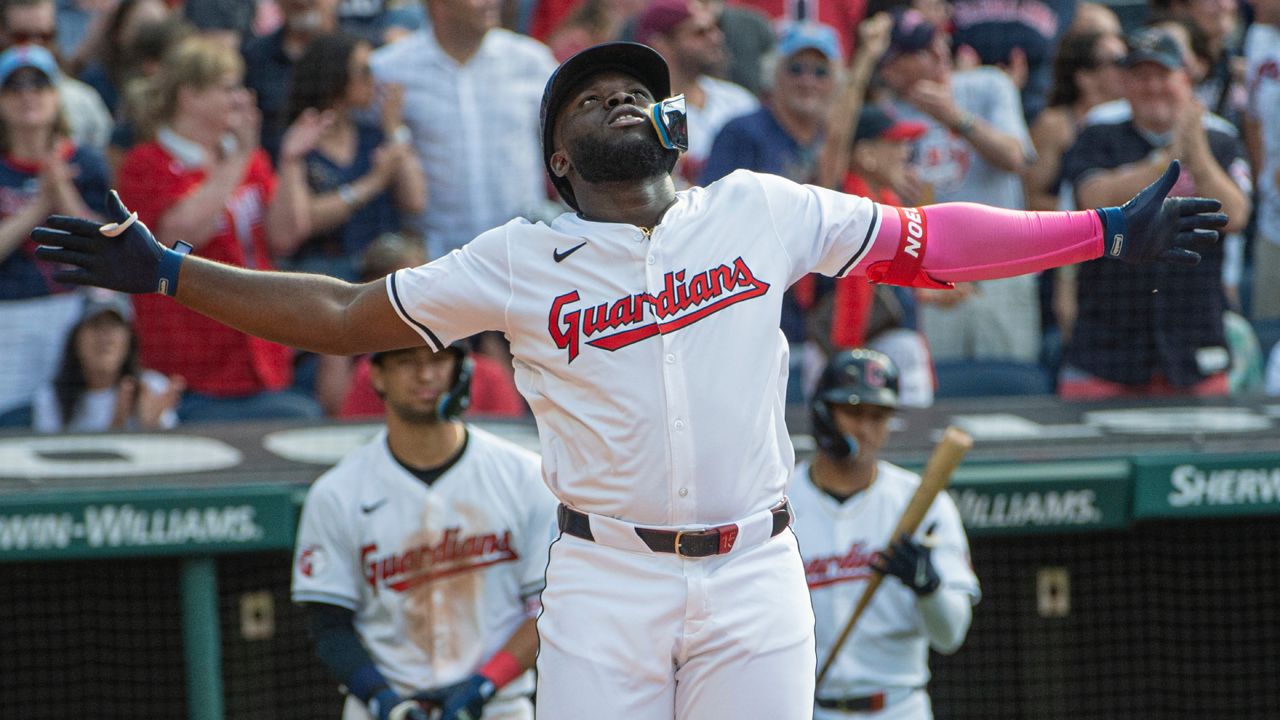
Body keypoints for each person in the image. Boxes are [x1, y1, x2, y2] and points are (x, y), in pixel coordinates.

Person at [34, 40, 1229, 719]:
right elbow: (350, 315)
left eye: (631, 89)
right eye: (586, 98)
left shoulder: (758, 209)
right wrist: (174, 273)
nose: (617, 97)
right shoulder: (516, 257)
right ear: (560, 155)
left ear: (670, 126)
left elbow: (927, 242)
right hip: (603, 579)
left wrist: (1091, 232)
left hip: (757, 569)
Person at [292, 341, 556, 720]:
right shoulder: (337, 492)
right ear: (377, 375)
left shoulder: (525, 476)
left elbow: (547, 611)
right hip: (382, 709)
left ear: (462, 371)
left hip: (497, 708)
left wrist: (482, 686)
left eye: (438, 360)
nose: (425, 374)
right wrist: (384, 699)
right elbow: (329, 626)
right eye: (406, 362)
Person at [115, 35, 324, 422]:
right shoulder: (147, 163)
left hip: (258, 354)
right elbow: (178, 237)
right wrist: (239, 159)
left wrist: (291, 162)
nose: (242, 99)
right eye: (228, 88)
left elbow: (285, 236)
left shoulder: (246, 157)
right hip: (192, 366)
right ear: (188, 95)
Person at [1058, 28, 1251, 399]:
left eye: (1162, 76)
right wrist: (1168, 163)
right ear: (1125, 84)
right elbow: (1091, 197)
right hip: (1107, 344)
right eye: (1140, 77)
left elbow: (1237, 214)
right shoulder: (1099, 135)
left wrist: (1197, 151)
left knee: (1205, 454)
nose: (1152, 87)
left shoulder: (1221, 140)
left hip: (1194, 343)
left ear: (1186, 80)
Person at [791, 349, 978, 719]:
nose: (866, 429)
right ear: (822, 414)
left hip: (897, 706)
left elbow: (950, 635)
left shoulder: (922, 504)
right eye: (853, 412)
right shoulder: (779, 502)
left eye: (878, 416)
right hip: (807, 708)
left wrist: (929, 588)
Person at [876, 7, 1040, 365]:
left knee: (1010, 382)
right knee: (943, 390)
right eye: (917, 52)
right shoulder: (883, 114)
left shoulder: (985, 85)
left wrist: (956, 118)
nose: (937, 54)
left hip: (1001, 265)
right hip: (931, 275)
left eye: (936, 43)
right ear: (890, 67)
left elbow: (1016, 157)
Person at [370, 0, 557, 259]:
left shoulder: (532, 61)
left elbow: (564, 145)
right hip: (436, 262)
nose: (492, 3)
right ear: (439, 5)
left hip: (524, 254)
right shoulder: (388, 69)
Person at [0, 43, 108, 426]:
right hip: (8, 315)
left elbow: (106, 244)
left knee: (73, 423)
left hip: (74, 311)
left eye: (39, 85)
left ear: (56, 96)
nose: (28, 95)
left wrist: (61, 194)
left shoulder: (84, 162)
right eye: (14, 87)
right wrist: (38, 205)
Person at [280, 32, 426, 281]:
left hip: (382, 276)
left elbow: (416, 200)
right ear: (336, 76)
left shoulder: (373, 136)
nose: (374, 80)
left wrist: (394, 128)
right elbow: (302, 221)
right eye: (365, 71)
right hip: (326, 280)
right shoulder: (300, 142)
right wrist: (374, 182)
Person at [634, 0, 757, 187]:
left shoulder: (737, 99)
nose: (716, 38)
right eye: (700, 32)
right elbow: (677, 185)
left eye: (714, 28)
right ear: (661, 44)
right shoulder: (649, 108)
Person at [32, 289, 184, 432]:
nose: (105, 336)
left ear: (129, 338)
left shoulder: (152, 387)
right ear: (75, 338)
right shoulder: (51, 399)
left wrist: (152, 428)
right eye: (96, 324)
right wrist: (116, 428)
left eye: (114, 325)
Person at [0, 0, 112, 151]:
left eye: (45, 36)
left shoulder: (82, 100)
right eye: (22, 36)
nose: (34, 44)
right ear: (2, 33)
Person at [241, 0, 340, 163]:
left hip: (337, 167)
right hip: (273, 167)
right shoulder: (253, 55)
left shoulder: (350, 53)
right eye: (294, 3)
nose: (301, 3)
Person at [1243, 0, 1280, 323]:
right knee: (1268, 336)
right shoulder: (1258, 36)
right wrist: (1261, 179)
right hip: (1272, 220)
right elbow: (1252, 118)